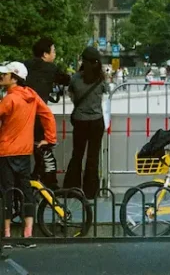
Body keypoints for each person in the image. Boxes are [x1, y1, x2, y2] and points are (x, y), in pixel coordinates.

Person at [0, 62, 57, 247]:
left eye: (5, 74)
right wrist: (49, 138)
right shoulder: (31, 96)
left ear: (14, 78)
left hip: (6, 152)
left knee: (7, 191)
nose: (2, 77)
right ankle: (28, 234)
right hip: (25, 151)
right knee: (25, 191)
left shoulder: (9, 100)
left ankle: (7, 235)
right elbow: (48, 114)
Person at [23, 37, 70, 189]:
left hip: (21, 117)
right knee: (44, 151)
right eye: (53, 51)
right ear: (45, 54)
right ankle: (51, 184)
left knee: (25, 153)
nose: (54, 54)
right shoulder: (51, 69)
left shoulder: (25, 66)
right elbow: (67, 80)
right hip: (38, 117)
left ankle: (29, 182)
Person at [63, 47, 108, 199]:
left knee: (77, 154)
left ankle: (72, 188)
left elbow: (72, 96)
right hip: (97, 121)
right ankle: (91, 191)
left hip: (80, 121)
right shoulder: (101, 79)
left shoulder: (75, 78)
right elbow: (105, 95)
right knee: (93, 156)